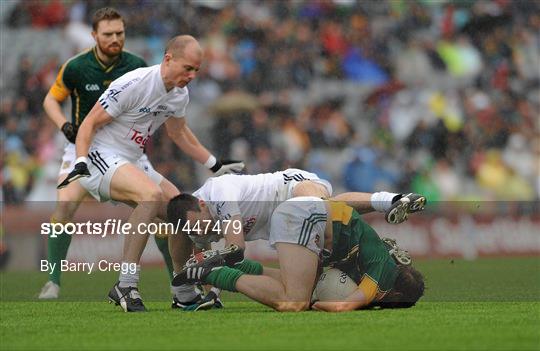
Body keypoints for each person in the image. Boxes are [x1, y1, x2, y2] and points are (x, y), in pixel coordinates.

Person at [58, 34, 244, 312]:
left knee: (184, 209)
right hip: (99, 156)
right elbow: (89, 123)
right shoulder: (135, 83)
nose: (192, 75)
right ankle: (126, 284)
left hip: (134, 160)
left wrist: (214, 163)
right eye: (187, 68)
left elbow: (178, 132)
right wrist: (81, 160)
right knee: (150, 195)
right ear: (168, 59)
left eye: (196, 70)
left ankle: (182, 293)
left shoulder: (179, 93)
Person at [39, 7, 174, 299]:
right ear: (94, 36)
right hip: (83, 148)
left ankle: (178, 283)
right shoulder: (75, 66)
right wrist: (63, 125)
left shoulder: (136, 65)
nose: (115, 39)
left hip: (125, 150)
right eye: (108, 34)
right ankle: (53, 282)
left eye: (120, 33)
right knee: (64, 207)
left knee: (163, 213)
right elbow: (50, 100)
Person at [166, 168, 425, 310]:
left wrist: (209, 272)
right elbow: (233, 251)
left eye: (197, 226)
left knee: (324, 206)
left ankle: (388, 200)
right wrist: (212, 286)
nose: (199, 233)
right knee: (296, 296)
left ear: (201, 205)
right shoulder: (197, 224)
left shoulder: (219, 193)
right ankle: (388, 200)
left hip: (287, 187)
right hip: (294, 219)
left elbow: (235, 250)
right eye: (193, 231)